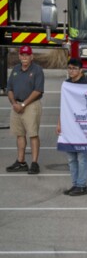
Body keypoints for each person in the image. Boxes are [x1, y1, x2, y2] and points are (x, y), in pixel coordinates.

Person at [6, 46, 44, 175]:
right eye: (22, 55)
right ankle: (21, 162)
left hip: (31, 105)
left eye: (27, 55)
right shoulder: (15, 69)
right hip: (16, 105)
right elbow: (9, 88)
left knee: (33, 134)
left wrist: (23, 105)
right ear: (19, 56)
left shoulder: (37, 70)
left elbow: (37, 90)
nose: (24, 57)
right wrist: (14, 103)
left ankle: (34, 163)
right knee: (19, 134)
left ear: (31, 56)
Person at [56, 58, 87, 196]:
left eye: (74, 68)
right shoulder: (66, 83)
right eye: (69, 68)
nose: (71, 71)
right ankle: (75, 184)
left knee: (82, 157)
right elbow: (63, 105)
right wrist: (59, 123)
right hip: (68, 124)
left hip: (82, 126)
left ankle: (82, 185)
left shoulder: (86, 84)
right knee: (71, 157)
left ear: (81, 70)